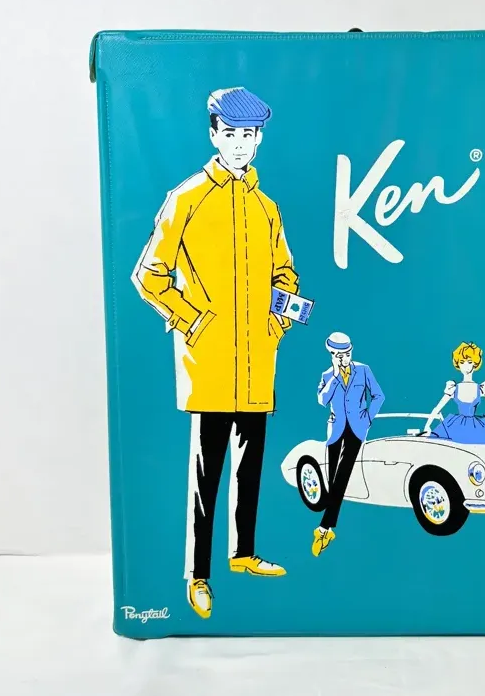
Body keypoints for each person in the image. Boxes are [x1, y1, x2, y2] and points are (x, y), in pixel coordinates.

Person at [131, 87, 299, 620]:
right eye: (232, 134)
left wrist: (277, 322)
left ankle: (244, 553)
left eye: (250, 134)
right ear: (213, 134)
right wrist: (191, 320)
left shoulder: (266, 208)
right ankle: (197, 574)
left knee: (251, 466)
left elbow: (285, 274)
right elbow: (149, 275)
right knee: (206, 474)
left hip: (258, 363)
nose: (242, 144)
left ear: (260, 138)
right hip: (209, 363)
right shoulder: (186, 198)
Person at [313, 333, 384, 556]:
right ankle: (327, 528)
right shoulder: (327, 376)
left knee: (342, 476)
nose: (344, 358)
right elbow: (322, 400)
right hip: (335, 429)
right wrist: (335, 376)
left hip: (357, 428)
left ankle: (323, 529)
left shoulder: (363, 370)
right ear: (332, 354)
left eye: (347, 353)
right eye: (339, 354)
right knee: (332, 478)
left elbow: (379, 395)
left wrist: (368, 418)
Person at [422, 342, 485, 445]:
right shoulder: (453, 388)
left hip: (476, 428)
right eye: (462, 362)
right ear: (458, 364)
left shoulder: (481, 388)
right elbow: (437, 408)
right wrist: (427, 426)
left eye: (469, 362)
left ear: (475, 363)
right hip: (454, 426)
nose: (465, 366)